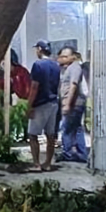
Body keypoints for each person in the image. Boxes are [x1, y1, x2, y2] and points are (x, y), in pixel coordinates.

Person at [26, 40, 61, 172]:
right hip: (53, 102)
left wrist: (29, 106)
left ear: (40, 49)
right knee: (50, 135)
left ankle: (36, 164)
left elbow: (34, 87)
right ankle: (47, 163)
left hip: (40, 103)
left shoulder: (38, 65)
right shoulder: (56, 65)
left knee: (33, 135)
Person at [56, 46, 88, 163]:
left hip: (74, 104)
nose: (62, 59)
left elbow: (73, 86)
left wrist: (68, 104)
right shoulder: (71, 68)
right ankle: (81, 154)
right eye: (61, 56)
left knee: (66, 128)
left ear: (72, 57)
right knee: (77, 128)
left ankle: (68, 153)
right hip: (76, 104)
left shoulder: (74, 68)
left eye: (65, 56)